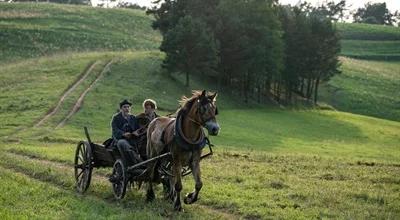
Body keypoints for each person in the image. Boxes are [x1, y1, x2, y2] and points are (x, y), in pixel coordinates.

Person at [111, 99, 142, 164]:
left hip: (132, 139)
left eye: (128, 107)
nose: (127, 109)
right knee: (123, 143)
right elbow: (115, 130)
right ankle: (136, 162)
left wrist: (136, 132)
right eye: (124, 107)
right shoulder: (116, 118)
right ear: (121, 109)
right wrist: (123, 134)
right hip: (119, 139)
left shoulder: (133, 118)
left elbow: (137, 128)